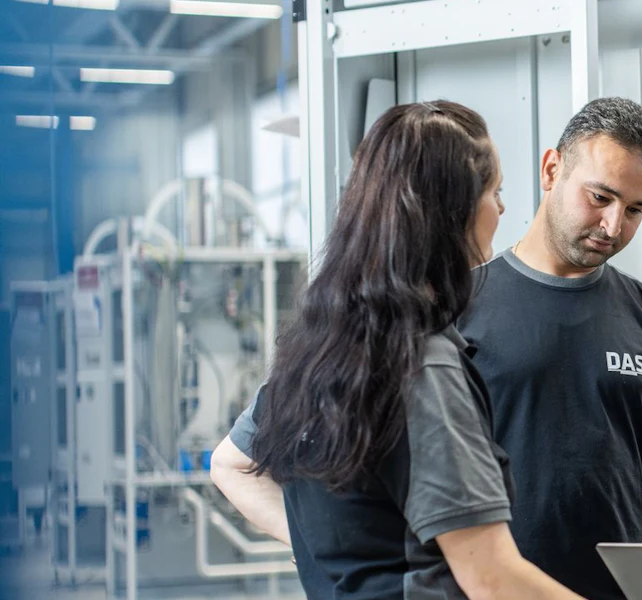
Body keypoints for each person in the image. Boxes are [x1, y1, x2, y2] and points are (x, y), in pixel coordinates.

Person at [209, 101, 581, 599]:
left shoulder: (321, 350)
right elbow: (492, 579)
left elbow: (229, 464)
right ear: (453, 213)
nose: (503, 209)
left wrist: (339, 567)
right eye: (495, 191)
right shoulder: (423, 364)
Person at [456, 97, 642, 600]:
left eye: (635, 210)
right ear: (552, 169)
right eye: (600, 197)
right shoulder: (458, 306)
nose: (613, 226)